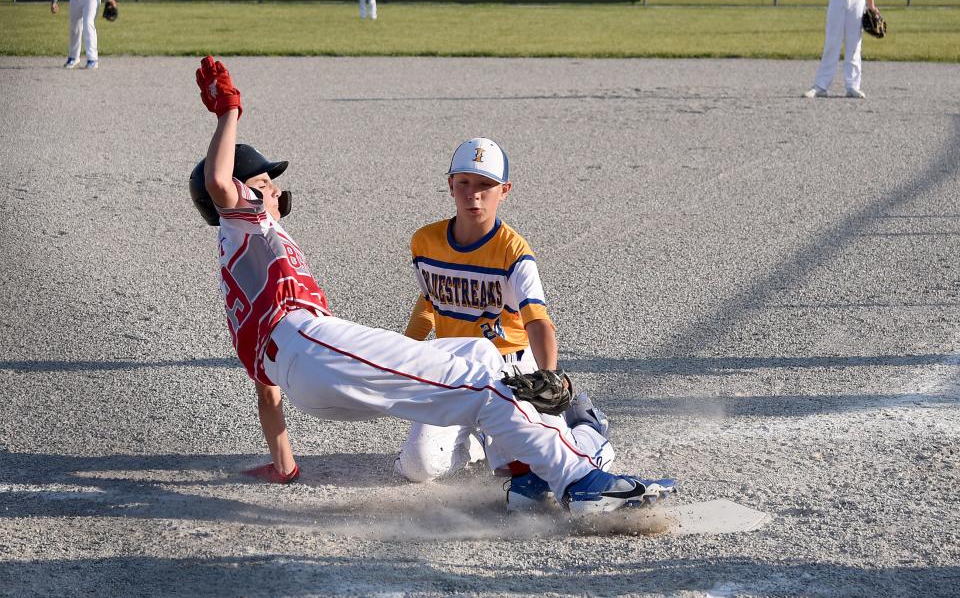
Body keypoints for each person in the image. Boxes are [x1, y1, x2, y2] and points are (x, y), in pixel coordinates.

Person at [188, 56, 676, 516]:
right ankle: (580, 478)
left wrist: (284, 465)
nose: (274, 188)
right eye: (264, 181)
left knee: (484, 362)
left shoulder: (247, 263)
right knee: (484, 387)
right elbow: (218, 182)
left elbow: (266, 393)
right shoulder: (242, 226)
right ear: (243, 191)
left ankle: (530, 468)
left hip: (308, 375)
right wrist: (229, 112)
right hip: (313, 347)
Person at [395, 138, 616, 512]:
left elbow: (537, 320)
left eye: (485, 185)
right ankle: (482, 439)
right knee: (418, 467)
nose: (474, 195)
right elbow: (429, 301)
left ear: (504, 190)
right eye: (464, 182)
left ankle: (589, 431)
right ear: (450, 185)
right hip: (453, 371)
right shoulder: (425, 241)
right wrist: (402, 353)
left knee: (538, 477)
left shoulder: (514, 252)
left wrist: (549, 375)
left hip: (510, 372)